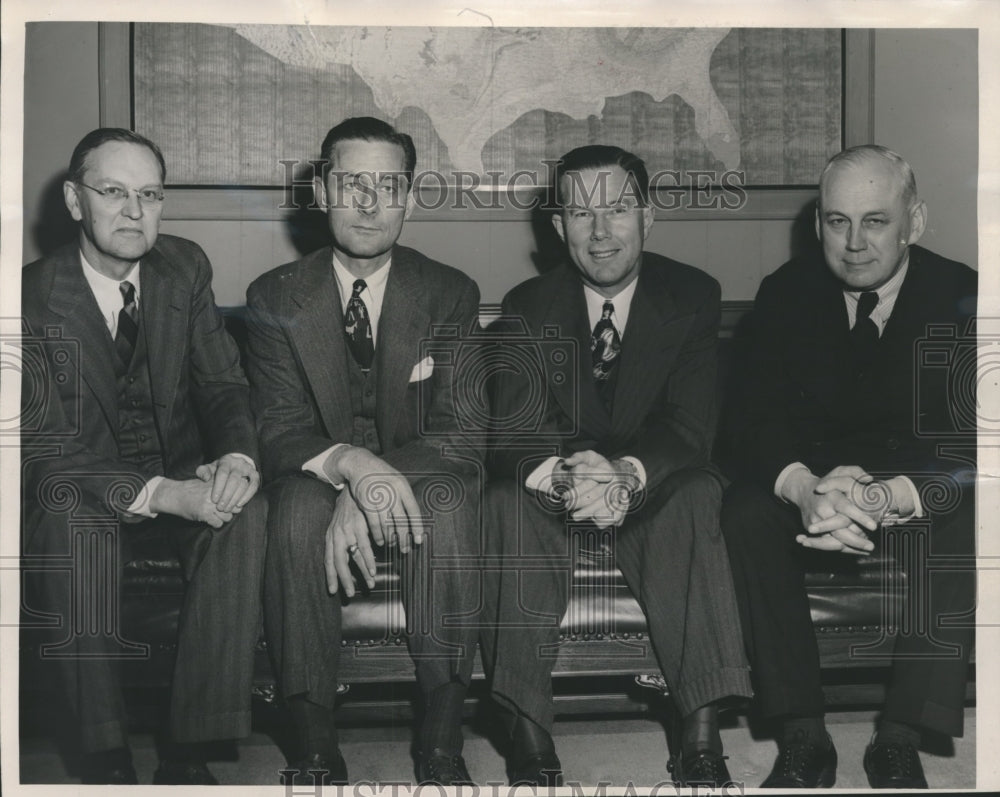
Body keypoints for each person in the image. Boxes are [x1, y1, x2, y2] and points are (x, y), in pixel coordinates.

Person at [481, 144, 753, 787]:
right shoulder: (527, 304)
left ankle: (700, 734)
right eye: (581, 214)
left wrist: (625, 474)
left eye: (618, 210)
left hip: (654, 480)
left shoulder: (692, 294)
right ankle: (528, 732)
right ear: (558, 227)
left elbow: (689, 427)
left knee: (697, 493)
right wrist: (567, 476)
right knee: (503, 500)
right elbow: (513, 433)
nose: (600, 232)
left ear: (648, 217)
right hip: (564, 484)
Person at [721, 144, 977, 789]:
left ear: (914, 222)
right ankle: (802, 734)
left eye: (876, 221)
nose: (855, 243)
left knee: (972, 516)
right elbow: (749, 421)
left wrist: (889, 496)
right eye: (838, 221)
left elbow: (974, 439)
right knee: (746, 510)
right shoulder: (784, 293)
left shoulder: (965, 294)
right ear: (819, 225)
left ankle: (901, 737)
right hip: (819, 489)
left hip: (913, 492)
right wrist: (804, 489)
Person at [20, 128, 267, 785]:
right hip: (85, 491)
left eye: (151, 194)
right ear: (75, 201)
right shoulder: (28, 299)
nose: (134, 211)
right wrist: (162, 494)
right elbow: (45, 450)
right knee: (67, 521)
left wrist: (236, 457)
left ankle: (190, 748)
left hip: (184, 468)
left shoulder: (184, 268)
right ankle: (105, 760)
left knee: (244, 511)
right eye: (114, 192)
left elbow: (223, 385)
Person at [245, 117, 483, 786]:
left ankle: (442, 735)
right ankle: (313, 739)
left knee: (448, 503)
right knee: (296, 511)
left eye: (389, 185)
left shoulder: (450, 292)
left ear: (409, 197)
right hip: (316, 474)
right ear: (322, 192)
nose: (370, 203)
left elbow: (461, 433)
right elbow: (278, 429)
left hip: (419, 473)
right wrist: (350, 465)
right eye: (353, 183)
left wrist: (371, 482)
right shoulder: (273, 296)